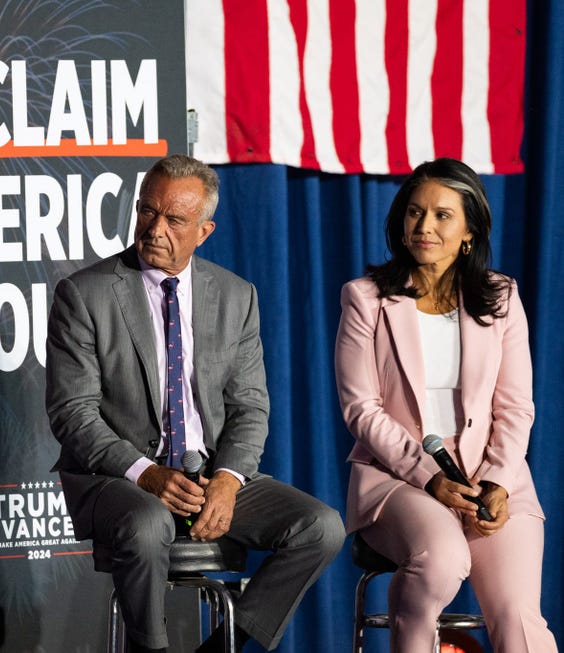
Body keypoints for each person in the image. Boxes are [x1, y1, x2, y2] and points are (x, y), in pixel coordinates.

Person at [46, 154, 344, 653]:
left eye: (175, 219)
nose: (155, 228)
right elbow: (72, 413)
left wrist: (228, 481)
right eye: (147, 211)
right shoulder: (85, 294)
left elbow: (250, 408)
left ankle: (225, 646)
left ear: (203, 231)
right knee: (147, 522)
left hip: (206, 476)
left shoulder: (235, 295)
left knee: (321, 528)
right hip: (116, 478)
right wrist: (145, 473)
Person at [334, 158, 558, 652]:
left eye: (442, 215)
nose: (424, 227)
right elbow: (362, 409)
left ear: (469, 233)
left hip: (492, 473)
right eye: (415, 213)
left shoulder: (501, 297)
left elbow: (516, 407)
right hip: (397, 475)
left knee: (520, 619)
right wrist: (429, 476)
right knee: (441, 558)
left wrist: (498, 480)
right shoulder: (366, 299)